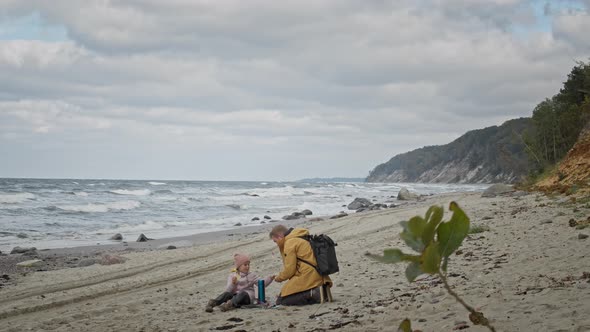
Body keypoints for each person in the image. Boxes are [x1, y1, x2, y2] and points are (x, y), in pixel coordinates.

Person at [269, 225, 333, 305]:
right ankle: (320, 291)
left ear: (279, 236)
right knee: (287, 293)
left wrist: (279, 278)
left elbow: (290, 270)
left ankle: (314, 293)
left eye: (275, 241)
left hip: (308, 275)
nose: (277, 244)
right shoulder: (301, 237)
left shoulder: (290, 243)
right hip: (319, 274)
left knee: (281, 301)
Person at [205, 253, 274, 312]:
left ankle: (229, 305)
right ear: (238, 266)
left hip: (247, 298)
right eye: (245, 265)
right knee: (226, 294)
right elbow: (228, 290)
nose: (247, 267)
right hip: (235, 297)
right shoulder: (233, 275)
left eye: (248, 264)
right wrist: (233, 283)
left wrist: (270, 278)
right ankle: (212, 303)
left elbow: (262, 283)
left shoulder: (251, 275)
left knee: (243, 293)